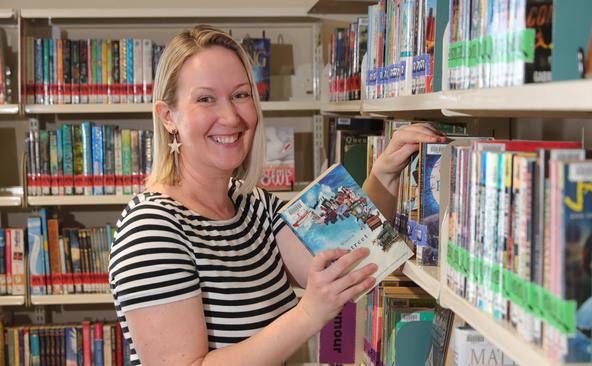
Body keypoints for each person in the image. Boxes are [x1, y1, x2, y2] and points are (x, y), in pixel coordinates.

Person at [108, 24, 447, 366]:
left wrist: (385, 173)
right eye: (205, 99)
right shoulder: (151, 230)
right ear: (168, 117)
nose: (230, 116)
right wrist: (309, 314)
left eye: (240, 95)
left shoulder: (255, 207)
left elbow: (353, 257)